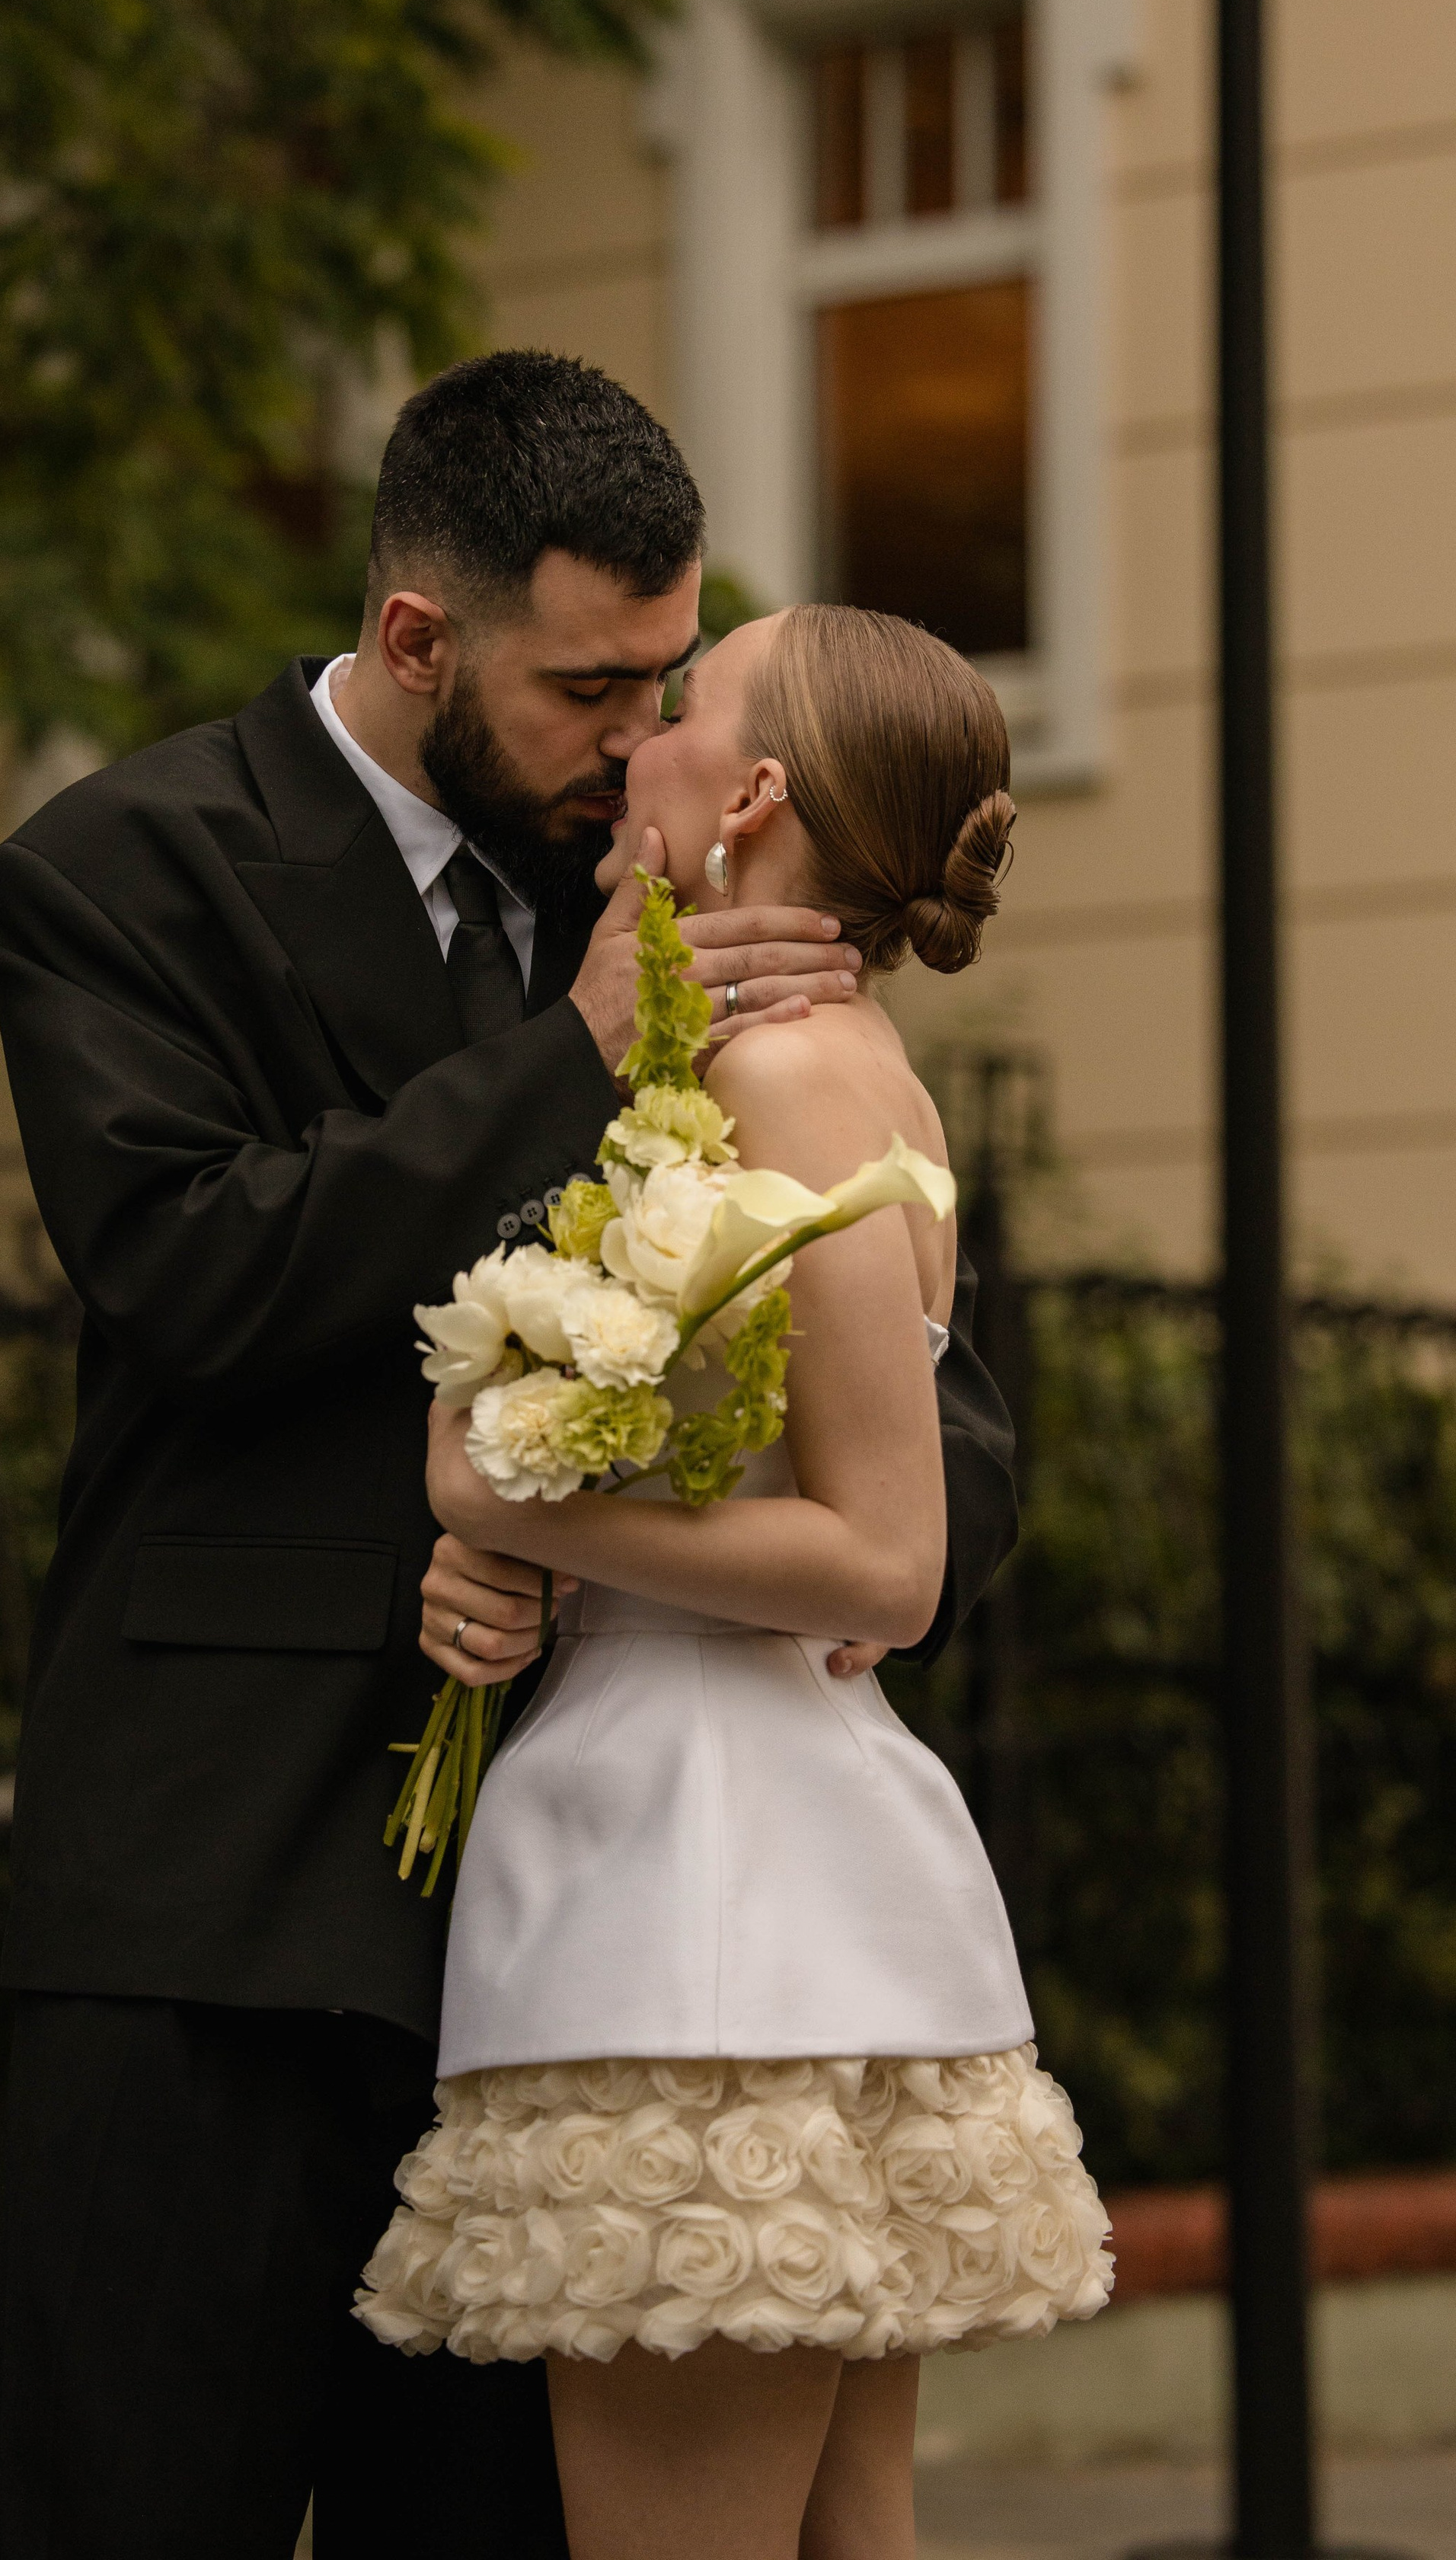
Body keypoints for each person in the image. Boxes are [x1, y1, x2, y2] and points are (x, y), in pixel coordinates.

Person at [0, 353, 1020, 2558]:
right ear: (419, 637)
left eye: (668, 681)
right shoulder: (117, 875)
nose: (637, 742)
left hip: (593, 1935)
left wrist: (725, 1548)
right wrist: (573, 1054)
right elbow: (197, 1274)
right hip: (218, 1901)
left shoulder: (664, 872)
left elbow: (932, 1413)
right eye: (589, 691)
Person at [356, 601, 1112, 2560]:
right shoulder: (828, 1069)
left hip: (697, 1889)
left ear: (755, 790)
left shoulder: (780, 1083)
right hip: (768, 1850)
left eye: (682, 706)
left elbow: (885, 1554)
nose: (640, 740)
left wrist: (499, 1493)